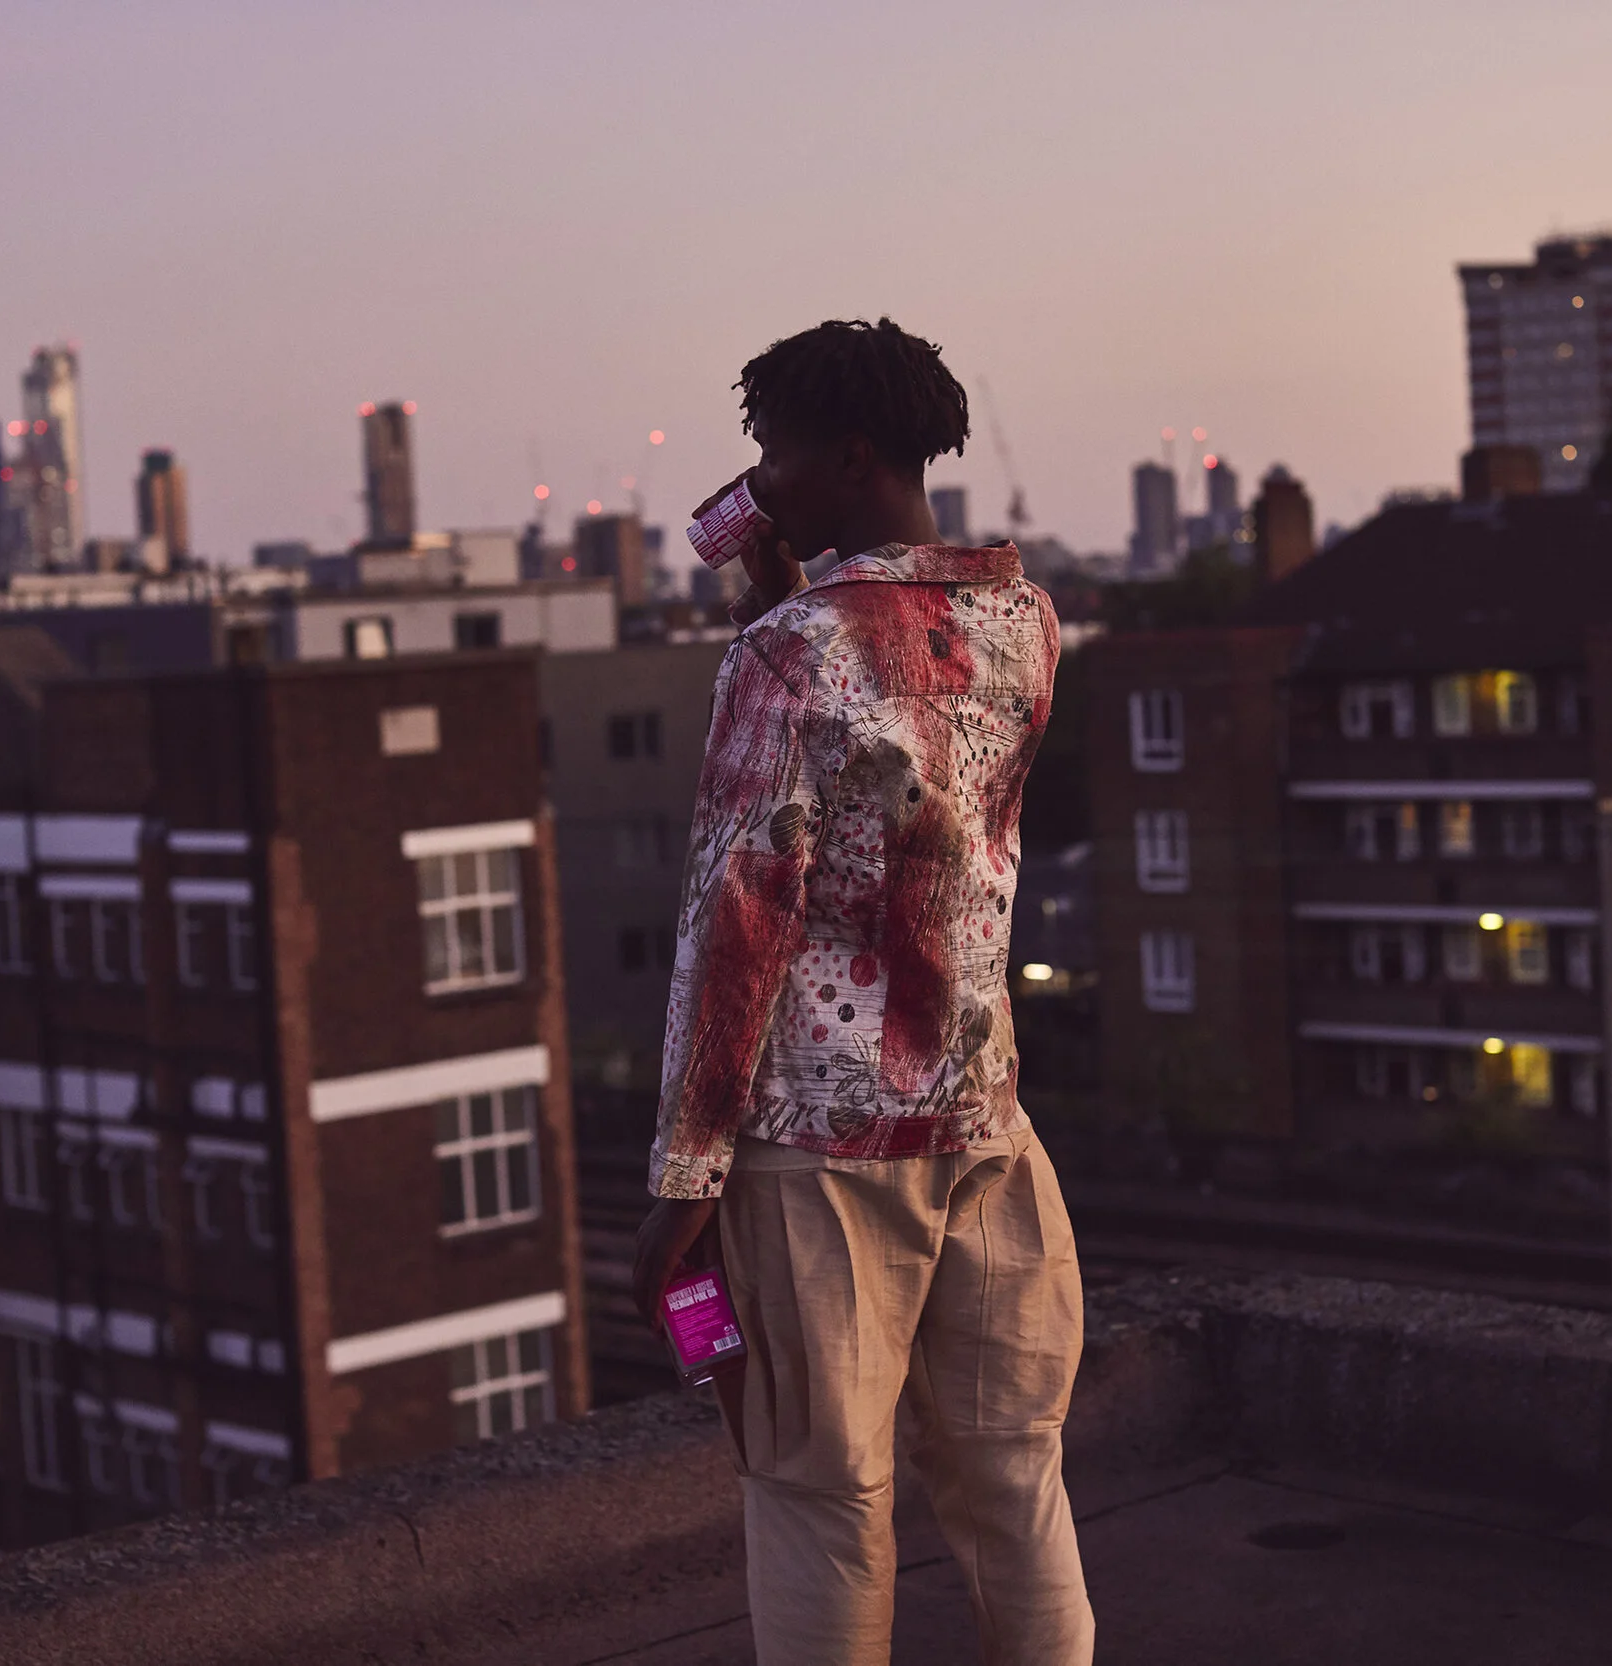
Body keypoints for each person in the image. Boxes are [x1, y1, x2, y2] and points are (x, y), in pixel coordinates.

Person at [631, 318, 1091, 1666]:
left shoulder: (789, 656)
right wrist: (779, 603)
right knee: (1013, 1479)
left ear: (847, 455)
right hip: (982, 1121)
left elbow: (739, 921)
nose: (758, 482)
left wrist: (683, 1183)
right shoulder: (1028, 624)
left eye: (775, 453)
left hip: (816, 1154)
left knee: (821, 1497)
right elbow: (906, 778)